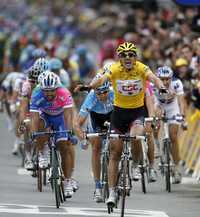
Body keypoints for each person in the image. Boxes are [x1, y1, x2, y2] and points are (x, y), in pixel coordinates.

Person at [75, 42, 165, 206]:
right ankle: (112, 191)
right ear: (119, 58)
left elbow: (154, 78)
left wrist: (161, 86)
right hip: (118, 114)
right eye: (124, 55)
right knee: (115, 151)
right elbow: (101, 78)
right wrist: (89, 86)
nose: (128, 58)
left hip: (137, 112)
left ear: (135, 57)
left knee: (136, 137)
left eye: (131, 54)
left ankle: (137, 164)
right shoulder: (115, 69)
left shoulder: (141, 68)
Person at [30, 71, 75, 198]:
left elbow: (68, 116)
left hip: (60, 117)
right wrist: (34, 134)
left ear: (57, 88)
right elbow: (34, 117)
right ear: (41, 89)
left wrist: (69, 131)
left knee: (64, 147)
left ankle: (67, 182)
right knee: (39, 125)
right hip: (44, 116)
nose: (49, 93)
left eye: (52, 91)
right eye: (46, 91)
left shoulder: (64, 93)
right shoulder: (36, 94)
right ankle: (42, 151)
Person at [75, 74, 114, 203]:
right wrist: (83, 138)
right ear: (94, 91)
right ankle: (97, 187)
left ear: (109, 89)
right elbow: (77, 124)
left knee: (116, 146)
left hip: (112, 118)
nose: (102, 95)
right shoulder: (91, 97)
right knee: (96, 148)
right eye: (99, 93)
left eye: (105, 92)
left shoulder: (114, 94)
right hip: (96, 120)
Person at [154, 66, 186, 184]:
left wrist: (182, 115)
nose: (165, 82)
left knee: (173, 137)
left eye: (168, 79)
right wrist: (156, 116)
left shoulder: (177, 83)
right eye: (162, 79)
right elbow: (154, 103)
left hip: (173, 108)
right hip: (159, 105)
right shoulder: (154, 85)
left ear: (171, 78)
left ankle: (177, 167)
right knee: (155, 122)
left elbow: (182, 101)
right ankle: (157, 147)